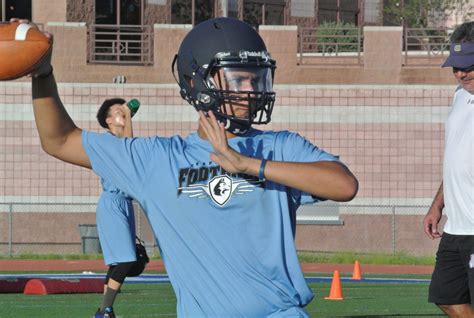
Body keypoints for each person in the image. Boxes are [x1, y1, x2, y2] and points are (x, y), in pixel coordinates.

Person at [28, 17, 358, 317]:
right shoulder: (158, 159)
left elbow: (344, 185)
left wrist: (249, 164)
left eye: (256, 79)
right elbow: (58, 140)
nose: (251, 90)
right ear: (198, 83)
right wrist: (42, 72)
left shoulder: (278, 146)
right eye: (238, 79)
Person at [423, 21, 474, 318]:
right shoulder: (459, 96)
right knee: (445, 296)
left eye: (468, 66)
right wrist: (437, 205)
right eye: (456, 67)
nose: (460, 73)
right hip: (456, 228)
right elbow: (456, 159)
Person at [94, 98, 138, 318]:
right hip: (112, 202)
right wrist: (129, 117)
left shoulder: (125, 139)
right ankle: (105, 309)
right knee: (126, 260)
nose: (125, 113)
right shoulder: (107, 141)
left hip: (125, 203)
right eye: (119, 112)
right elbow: (128, 155)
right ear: (109, 121)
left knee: (120, 261)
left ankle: (104, 312)